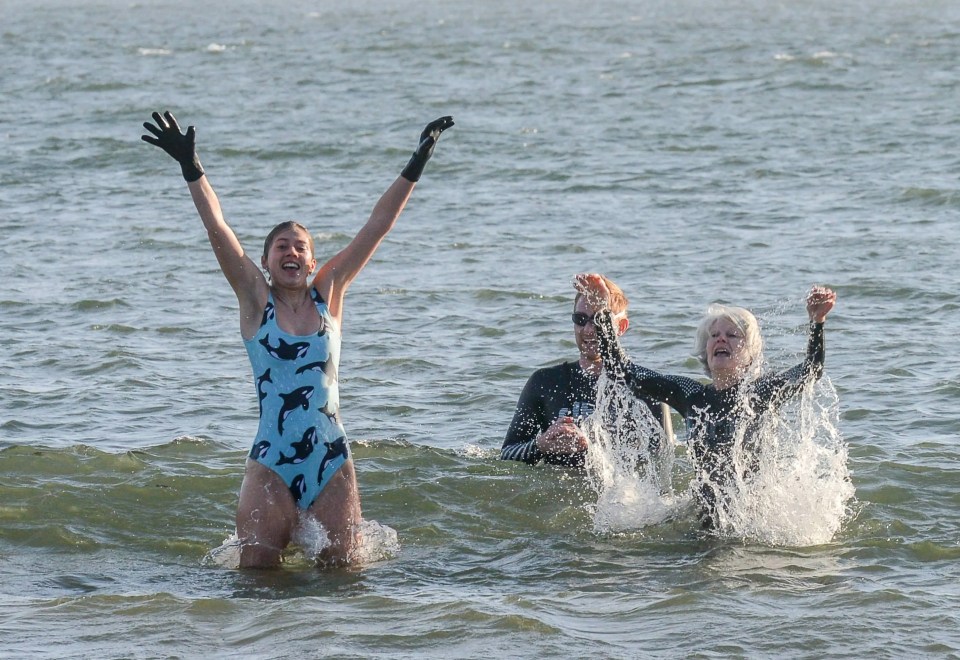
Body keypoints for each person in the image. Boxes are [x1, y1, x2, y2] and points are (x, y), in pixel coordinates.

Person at [142, 110, 454, 568]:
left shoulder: (330, 293)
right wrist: (192, 168)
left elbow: (376, 226)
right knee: (256, 578)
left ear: (312, 262)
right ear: (266, 262)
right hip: (271, 460)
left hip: (331, 457)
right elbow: (218, 230)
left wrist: (416, 162)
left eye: (300, 246)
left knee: (343, 578)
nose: (291, 251)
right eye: (281, 246)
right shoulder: (255, 301)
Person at [593, 276, 837, 529]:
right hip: (703, 511)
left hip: (750, 515)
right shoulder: (691, 394)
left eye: (732, 335)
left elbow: (811, 369)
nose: (721, 340)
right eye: (714, 335)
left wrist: (817, 322)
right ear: (705, 349)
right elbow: (620, 370)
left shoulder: (761, 392)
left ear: (750, 354)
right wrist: (602, 310)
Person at [501, 273, 665, 468]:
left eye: (598, 320)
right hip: (559, 490)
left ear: (620, 327)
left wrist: (596, 445)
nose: (588, 330)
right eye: (580, 319)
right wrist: (541, 445)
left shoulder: (647, 386)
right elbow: (507, 454)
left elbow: (663, 460)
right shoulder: (545, 382)